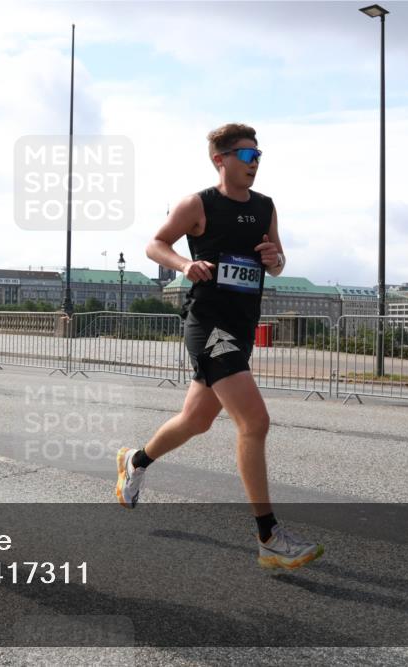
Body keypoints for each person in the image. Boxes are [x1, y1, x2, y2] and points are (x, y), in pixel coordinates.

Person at [116, 123, 323, 570]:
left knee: (196, 420)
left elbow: (279, 261)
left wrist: (275, 260)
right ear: (221, 159)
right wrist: (184, 263)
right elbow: (155, 244)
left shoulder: (266, 207)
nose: (255, 164)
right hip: (207, 324)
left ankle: (136, 460)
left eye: (258, 156)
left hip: (242, 327)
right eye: (247, 156)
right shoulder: (198, 204)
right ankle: (268, 536)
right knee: (255, 421)